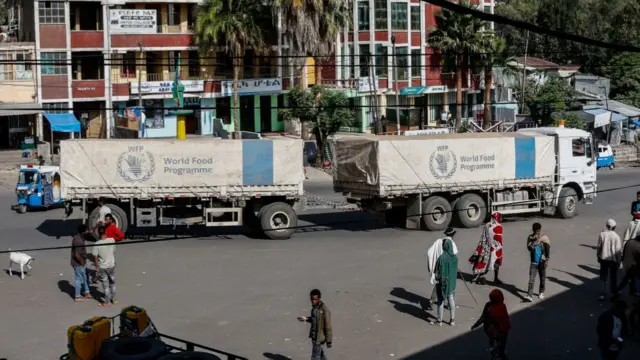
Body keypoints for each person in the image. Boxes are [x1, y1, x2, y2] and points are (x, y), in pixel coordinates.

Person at [423, 228, 459, 311]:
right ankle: (450, 305)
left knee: (439, 284)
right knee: (451, 285)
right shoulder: (452, 244)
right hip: (448, 268)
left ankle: (431, 301)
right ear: (453, 235)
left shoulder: (438, 241)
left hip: (439, 267)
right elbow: (454, 256)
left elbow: (430, 252)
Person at [471, 289, 511, 360]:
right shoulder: (503, 306)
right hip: (503, 331)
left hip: (492, 331)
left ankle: (493, 346)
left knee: (494, 343)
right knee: (502, 348)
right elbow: (505, 320)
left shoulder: (489, 306)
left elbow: (483, 318)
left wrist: (475, 326)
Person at [429, 228, 458, 327]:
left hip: (442, 282)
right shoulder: (455, 258)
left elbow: (436, 270)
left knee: (440, 301)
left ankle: (439, 320)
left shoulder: (441, 258)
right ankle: (452, 320)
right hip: (451, 283)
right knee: (451, 299)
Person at [470, 212, 504, 285]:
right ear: (497, 218)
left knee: (486, 263)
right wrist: (499, 248)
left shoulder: (487, 225)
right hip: (496, 248)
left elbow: (484, 237)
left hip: (486, 247)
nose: (501, 219)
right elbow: (499, 239)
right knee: (496, 263)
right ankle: (495, 278)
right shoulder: (499, 227)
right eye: (500, 217)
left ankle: (483, 277)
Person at [297, 289, 332, 360]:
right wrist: (306, 319)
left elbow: (328, 327)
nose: (313, 301)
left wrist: (329, 341)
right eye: (312, 299)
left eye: (315, 299)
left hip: (319, 338)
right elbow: (314, 320)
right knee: (320, 354)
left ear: (319, 298)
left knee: (315, 357)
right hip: (314, 336)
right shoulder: (314, 308)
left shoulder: (325, 310)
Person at [597, 219, 623, 301]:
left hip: (603, 258)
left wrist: (598, 255)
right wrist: (619, 262)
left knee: (603, 277)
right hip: (613, 260)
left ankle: (602, 294)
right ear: (615, 227)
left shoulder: (602, 234)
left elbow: (599, 247)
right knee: (613, 277)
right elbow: (618, 251)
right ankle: (614, 292)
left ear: (607, 226)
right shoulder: (616, 237)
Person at [525, 222, 550, 302]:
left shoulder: (544, 238)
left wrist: (547, 260)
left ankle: (541, 292)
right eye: (535, 230)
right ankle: (529, 295)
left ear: (540, 230)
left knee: (542, 278)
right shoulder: (530, 237)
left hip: (542, 261)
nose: (537, 232)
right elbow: (529, 248)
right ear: (533, 230)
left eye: (538, 230)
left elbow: (547, 249)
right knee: (531, 279)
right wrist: (534, 243)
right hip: (534, 262)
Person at [93, 226, 117, 308]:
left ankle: (107, 302)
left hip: (102, 267)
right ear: (105, 232)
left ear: (98, 234)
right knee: (112, 282)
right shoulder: (112, 240)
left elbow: (95, 257)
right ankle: (113, 299)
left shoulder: (96, 244)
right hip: (111, 265)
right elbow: (114, 251)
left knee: (105, 285)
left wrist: (97, 268)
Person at [71, 224, 92, 302]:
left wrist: (97, 226)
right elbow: (77, 255)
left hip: (82, 262)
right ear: (83, 232)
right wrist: (82, 263)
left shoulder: (79, 236)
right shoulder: (78, 241)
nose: (88, 231)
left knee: (85, 276)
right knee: (79, 279)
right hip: (78, 263)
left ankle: (87, 292)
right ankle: (77, 296)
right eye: (86, 230)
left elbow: (91, 231)